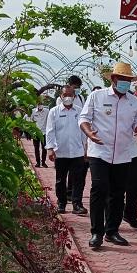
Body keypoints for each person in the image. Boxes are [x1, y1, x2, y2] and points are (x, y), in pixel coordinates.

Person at [79, 62, 137, 249]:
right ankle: (96, 233)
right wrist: (89, 133)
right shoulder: (97, 96)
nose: (126, 83)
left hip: (123, 154)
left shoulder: (133, 101)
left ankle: (112, 231)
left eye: (128, 80)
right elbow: (83, 119)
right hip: (99, 151)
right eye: (122, 79)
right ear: (114, 79)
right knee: (99, 188)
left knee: (118, 193)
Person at [46, 85, 88, 216]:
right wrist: (50, 149)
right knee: (60, 179)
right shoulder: (54, 111)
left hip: (77, 152)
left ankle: (77, 204)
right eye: (65, 95)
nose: (68, 97)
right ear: (60, 96)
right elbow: (50, 131)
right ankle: (61, 203)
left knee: (78, 180)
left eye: (71, 95)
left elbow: (84, 131)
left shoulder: (80, 111)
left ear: (74, 97)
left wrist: (86, 148)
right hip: (61, 152)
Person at [30, 99, 50, 167]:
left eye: (41, 103)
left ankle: (43, 162)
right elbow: (31, 120)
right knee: (36, 148)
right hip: (35, 133)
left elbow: (49, 120)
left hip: (44, 132)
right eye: (39, 103)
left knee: (44, 148)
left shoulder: (47, 111)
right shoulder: (33, 111)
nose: (40, 105)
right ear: (37, 104)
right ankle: (38, 162)